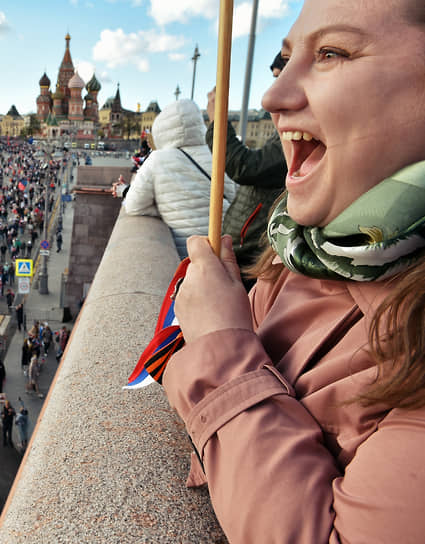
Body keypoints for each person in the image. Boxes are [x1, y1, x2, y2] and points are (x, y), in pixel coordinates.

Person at [160, 2, 425, 542]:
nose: (272, 96)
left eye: (331, 52)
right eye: (284, 60)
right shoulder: (306, 253)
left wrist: (219, 340)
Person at [114, 99, 237, 259]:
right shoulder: (222, 153)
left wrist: (166, 209)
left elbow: (133, 206)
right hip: (230, 253)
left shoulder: (157, 159)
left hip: (188, 256)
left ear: (162, 130)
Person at [204, 54, 287, 276]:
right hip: (243, 248)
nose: (269, 98)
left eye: (281, 76)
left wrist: (217, 121)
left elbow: (245, 167)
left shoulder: (299, 136)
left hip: (248, 257)